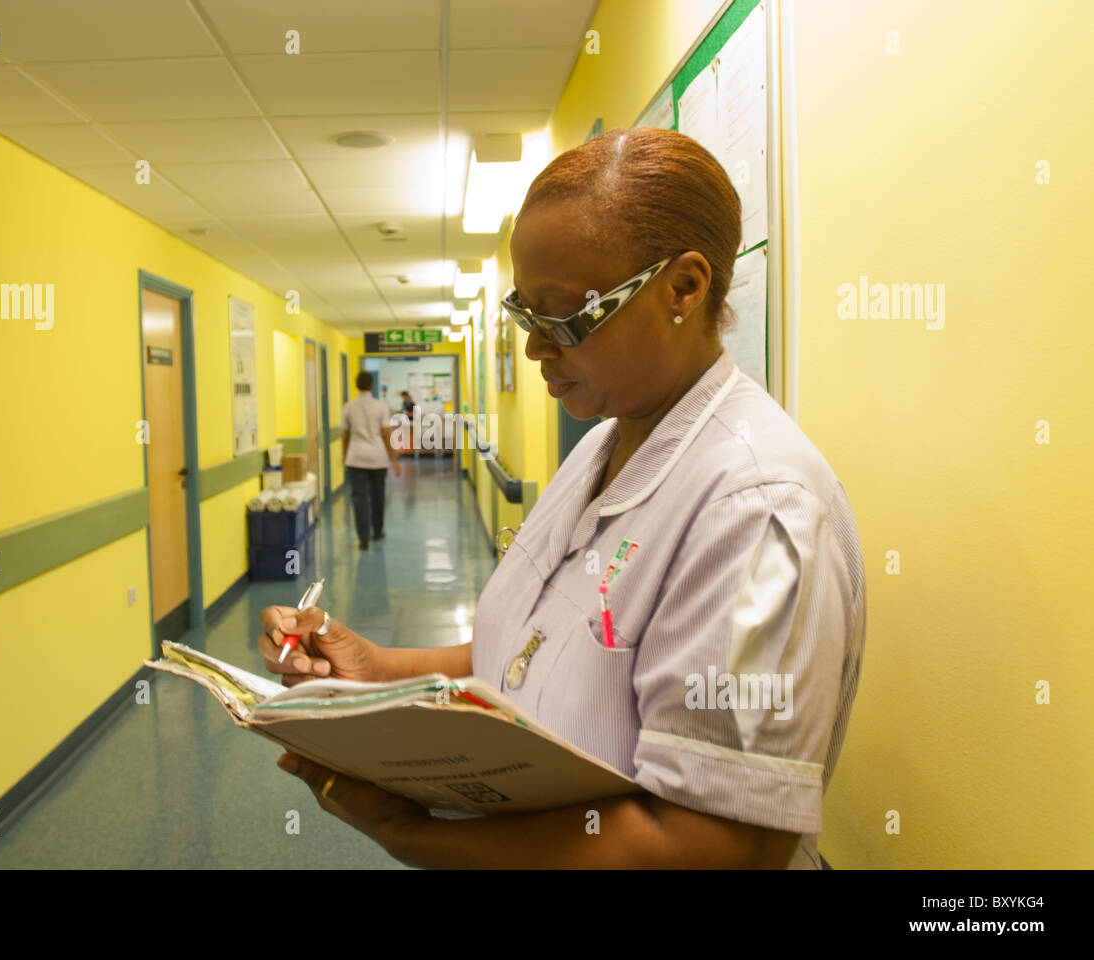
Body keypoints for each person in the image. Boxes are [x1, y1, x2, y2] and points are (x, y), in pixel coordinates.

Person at [258, 128, 865, 869]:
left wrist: (414, 835)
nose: (537, 348)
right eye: (524, 314)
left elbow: (714, 847)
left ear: (684, 287)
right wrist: (377, 668)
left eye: (568, 316)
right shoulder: (603, 449)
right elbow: (531, 651)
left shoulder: (759, 511)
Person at [340, 370, 400, 549]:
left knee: (359, 498)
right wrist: (394, 458)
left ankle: (363, 539)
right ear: (371, 385)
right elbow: (385, 433)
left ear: (356, 384)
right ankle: (378, 530)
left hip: (356, 457)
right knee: (377, 496)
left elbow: (345, 434)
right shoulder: (380, 406)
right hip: (377, 458)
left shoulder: (348, 407)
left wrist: (344, 456)